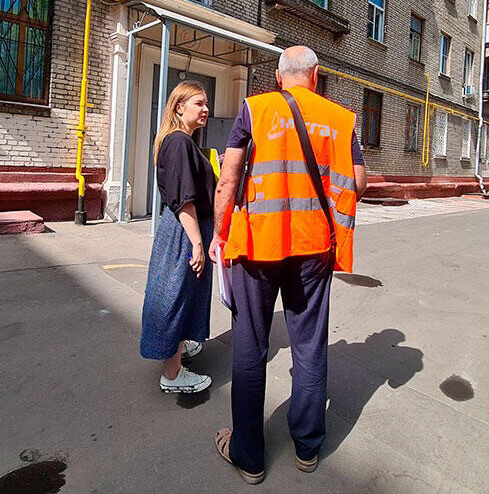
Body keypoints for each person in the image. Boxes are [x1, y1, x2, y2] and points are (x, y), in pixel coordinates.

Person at [208, 46, 367, 484]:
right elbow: (359, 182)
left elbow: (230, 176)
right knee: (310, 346)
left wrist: (218, 236)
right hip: (314, 246)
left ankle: (250, 457)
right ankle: (307, 449)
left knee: (250, 347)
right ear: (315, 76)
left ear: (279, 78)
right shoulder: (342, 118)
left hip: (258, 246)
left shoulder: (255, 109)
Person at [139, 80, 216, 394]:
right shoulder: (180, 142)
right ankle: (172, 375)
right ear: (179, 107)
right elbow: (185, 199)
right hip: (185, 230)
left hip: (184, 227)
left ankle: (178, 346)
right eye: (199, 103)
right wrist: (197, 242)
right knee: (174, 295)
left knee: (184, 293)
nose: (206, 109)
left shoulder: (179, 141)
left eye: (206, 104)